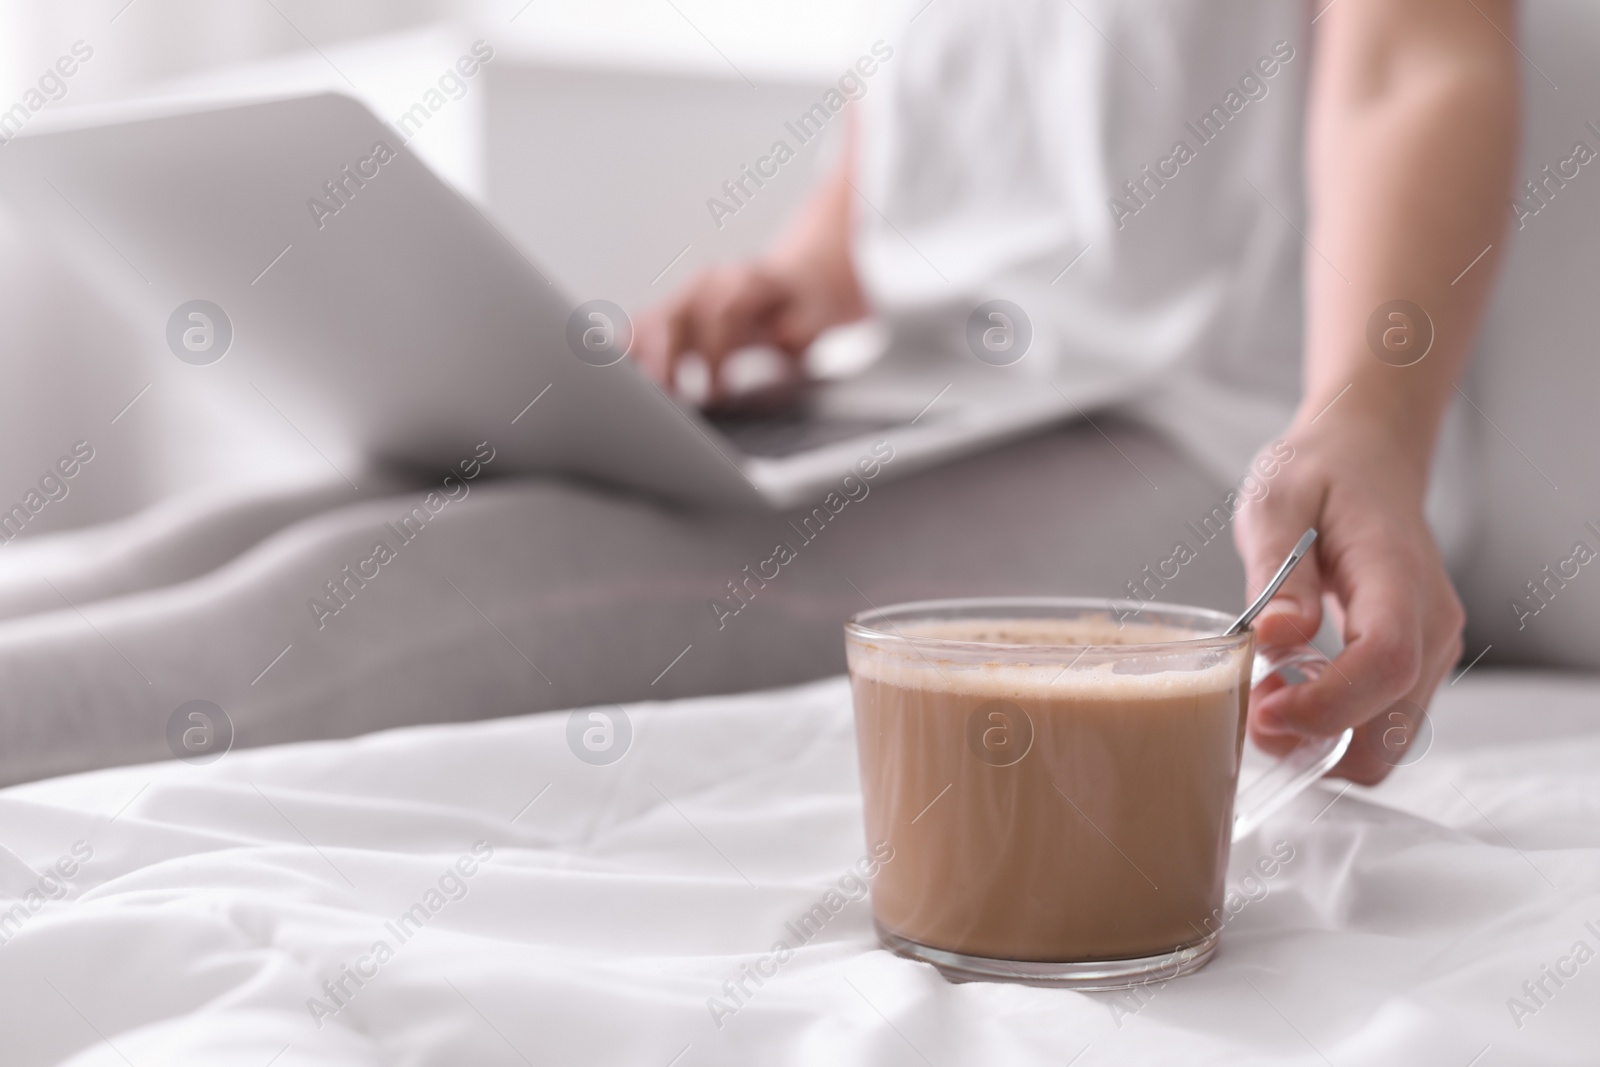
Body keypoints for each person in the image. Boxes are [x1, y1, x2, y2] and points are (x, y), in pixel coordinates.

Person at [630, 0, 1518, 784]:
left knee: (555, 575)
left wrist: (1368, 424)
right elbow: (920, 112)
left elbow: (1415, 62)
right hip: (922, 402)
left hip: (1203, 431)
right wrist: (807, 272)